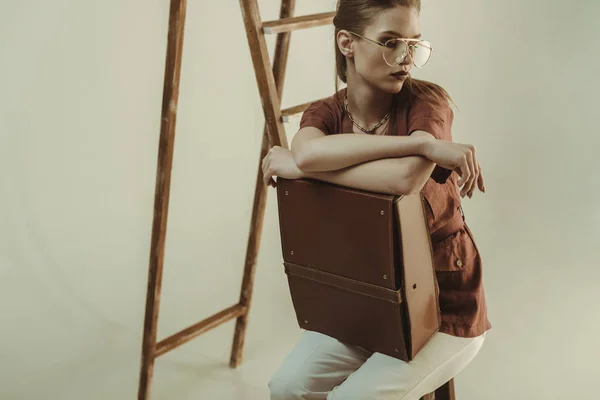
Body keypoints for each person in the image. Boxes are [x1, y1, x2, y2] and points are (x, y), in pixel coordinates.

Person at [260, 1, 492, 398]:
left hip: (444, 311)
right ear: (347, 43)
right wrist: (422, 147)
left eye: (412, 44)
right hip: (368, 304)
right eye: (390, 42)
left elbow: (403, 178)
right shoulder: (326, 113)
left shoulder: (427, 104)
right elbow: (312, 153)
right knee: (285, 387)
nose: (406, 59)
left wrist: (297, 165)